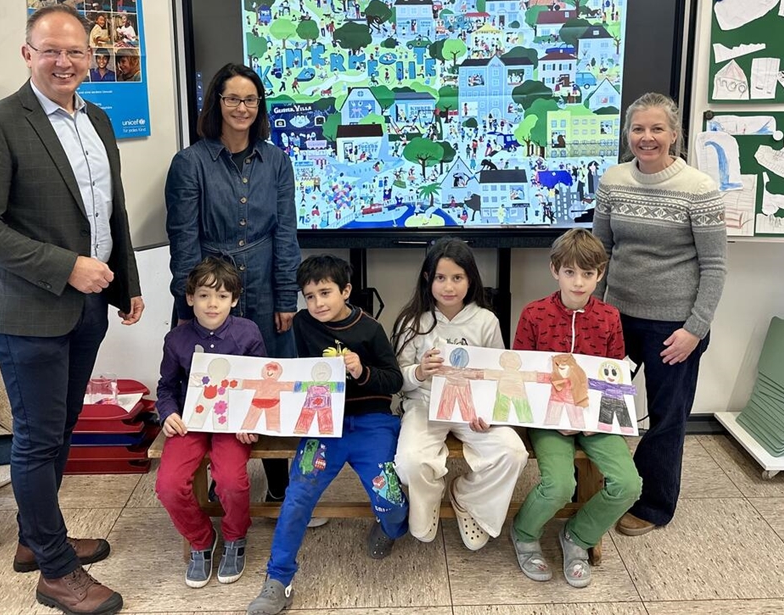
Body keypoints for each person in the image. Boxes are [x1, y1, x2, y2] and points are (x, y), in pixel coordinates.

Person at [0, 3, 144, 615]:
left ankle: (40, 539)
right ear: (27, 53)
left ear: (92, 57)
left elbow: (106, 213)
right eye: (51, 50)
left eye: (76, 51)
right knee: (37, 441)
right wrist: (65, 266)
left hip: (85, 308)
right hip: (25, 313)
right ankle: (56, 572)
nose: (65, 62)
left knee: (59, 431)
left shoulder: (98, 121)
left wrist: (127, 284)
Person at [165, 63, 301, 513]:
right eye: (232, 99)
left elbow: (286, 234)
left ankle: (280, 485)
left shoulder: (277, 161)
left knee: (270, 380)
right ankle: (213, 484)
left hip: (263, 281)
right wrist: (190, 303)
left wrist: (286, 297)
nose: (242, 108)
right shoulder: (190, 163)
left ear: (259, 106)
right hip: (208, 287)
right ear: (216, 104)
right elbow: (183, 238)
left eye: (250, 100)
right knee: (206, 383)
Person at [593, 92, 726, 536]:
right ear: (627, 133)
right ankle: (603, 487)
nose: (646, 137)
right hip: (616, 320)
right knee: (602, 408)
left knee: (666, 419)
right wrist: (596, 314)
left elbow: (714, 267)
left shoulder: (699, 189)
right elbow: (603, 252)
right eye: (638, 129)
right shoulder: (612, 180)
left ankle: (653, 505)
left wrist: (694, 329)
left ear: (674, 134)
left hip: (675, 327)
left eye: (656, 129)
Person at [246, 255, 408, 615]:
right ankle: (278, 579)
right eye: (310, 296)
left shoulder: (370, 329)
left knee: (392, 501)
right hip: (323, 426)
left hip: (372, 424)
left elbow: (394, 380)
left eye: (325, 293)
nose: (317, 303)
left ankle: (391, 528)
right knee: (298, 496)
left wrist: (362, 370)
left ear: (346, 291)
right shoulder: (303, 324)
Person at [509, 229, 641, 589]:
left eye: (588, 273)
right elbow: (524, 374)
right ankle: (523, 532)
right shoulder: (534, 314)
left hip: (595, 417)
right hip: (547, 418)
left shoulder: (610, 317)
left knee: (629, 484)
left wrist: (584, 418)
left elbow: (612, 375)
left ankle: (578, 536)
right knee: (559, 485)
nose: (579, 282)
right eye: (570, 272)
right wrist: (561, 418)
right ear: (555, 271)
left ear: (600, 274)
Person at [392, 237, 526, 550]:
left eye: (457, 278)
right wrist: (420, 371)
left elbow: (499, 373)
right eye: (440, 277)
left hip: (472, 407)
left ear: (470, 280)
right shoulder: (413, 321)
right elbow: (397, 378)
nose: (448, 287)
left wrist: (491, 412)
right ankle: (430, 498)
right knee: (410, 462)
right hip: (424, 405)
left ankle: (467, 497)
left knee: (513, 452)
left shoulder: (485, 320)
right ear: (428, 279)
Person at [155, 258, 265, 589]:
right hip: (192, 421)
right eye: (203, 296)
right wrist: (167, 413)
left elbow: (261, 382)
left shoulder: (248, 333)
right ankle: (202, 539)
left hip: (233, 424)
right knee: (168, 485)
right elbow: (166, 387)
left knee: (231, 481)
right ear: (190, 299)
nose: (212, 304)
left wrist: (251, 418)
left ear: (234, 299)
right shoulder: (177, 339)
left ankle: (235, 537)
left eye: (220, 296)